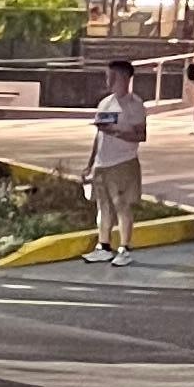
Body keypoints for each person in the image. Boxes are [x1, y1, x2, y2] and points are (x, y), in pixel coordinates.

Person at [84, 55, 147, 261]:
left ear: (125, 78)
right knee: (103, 206)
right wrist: (90, 163)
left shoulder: (135, 105)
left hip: (123, 162)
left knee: (122, 204)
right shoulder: (105, 103)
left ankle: (124, 248)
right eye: (107, 76)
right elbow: (99, 135)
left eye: (113, 77)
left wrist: (117, 132)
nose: (109, 81)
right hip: (102, 162)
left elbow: (141, 135)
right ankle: (103, 245)